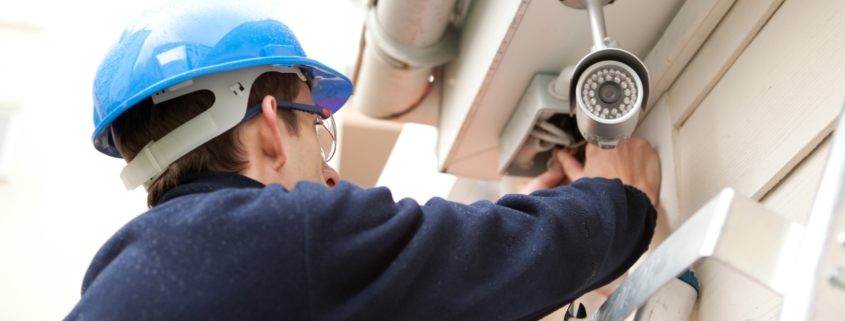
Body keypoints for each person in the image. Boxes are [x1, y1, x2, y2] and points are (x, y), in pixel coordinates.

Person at [65, 0, 660, 320]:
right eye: (315, 134)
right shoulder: (275, 235)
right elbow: (510, 253)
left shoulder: (121, 277)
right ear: (273, 128)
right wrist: (617, 201)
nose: (330, 173)